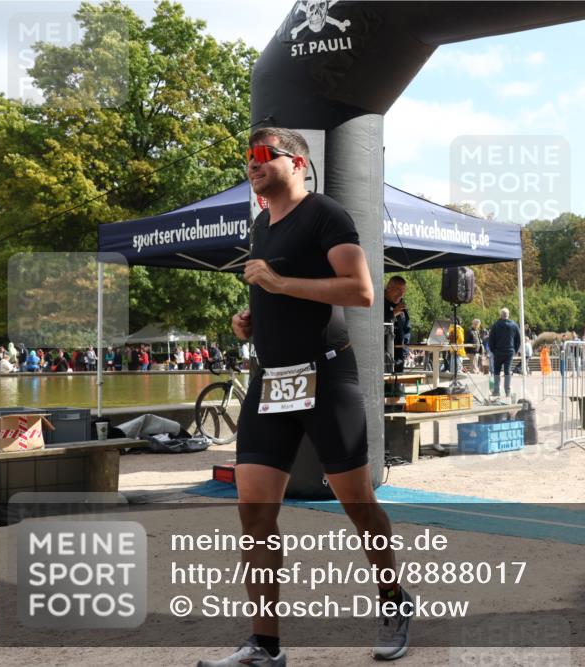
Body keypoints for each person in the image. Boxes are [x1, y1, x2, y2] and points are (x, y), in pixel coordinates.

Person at [207, 127, 410, 666]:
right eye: (246, 158)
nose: (251, 164)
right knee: (253, 512)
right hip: (271, 379)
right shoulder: (259, 224)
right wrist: (250, 319)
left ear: (296, 163)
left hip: (325, 378)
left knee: (358, 505)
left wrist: (277, 284)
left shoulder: (327, 215)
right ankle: (265, 644)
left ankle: (392, 599)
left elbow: (362, 291)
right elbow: (275, 292)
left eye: (261, 156)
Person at [488, 307, 521, 399]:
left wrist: (493, 350)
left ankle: (496, 391)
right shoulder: (514, 325)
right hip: (509, 351)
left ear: (500, 315)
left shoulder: (495, 325)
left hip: (498, 351)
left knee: (497, 371)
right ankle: (507, 392)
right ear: (508, 315)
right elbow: (518, 340)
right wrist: (515, 350)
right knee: (507, 371)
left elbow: (491, 340)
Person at [382, 276, 411, 373]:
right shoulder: (378, 301)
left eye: (403, 291)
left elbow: (407, 328)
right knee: (385, 386)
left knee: (398, 386)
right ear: (389, 287)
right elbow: (374, 324)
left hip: (398, 355)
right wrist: (393, 313)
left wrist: (405, 348)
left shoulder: (401, 304)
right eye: (398, 290)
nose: (401, 295)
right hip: (382, 355)